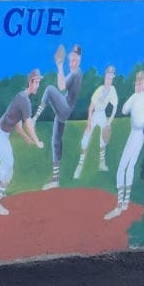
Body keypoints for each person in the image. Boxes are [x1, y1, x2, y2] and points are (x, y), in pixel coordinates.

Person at [0, 69, 45, 225]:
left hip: (4, 135)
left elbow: (18, 125)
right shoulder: (24, 100)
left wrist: (26, 138)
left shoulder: (22, 97)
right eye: (36, 82)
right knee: (7, 164)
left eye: (39, 82)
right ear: (30, 82)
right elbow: (28, 124)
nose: (38, 85)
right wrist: (37, 141)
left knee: (9, 171)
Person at [105, 71, 144, 220]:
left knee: (123, 168)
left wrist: (143, 95)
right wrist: (140, 96)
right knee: (129, 167)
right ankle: (124, 203)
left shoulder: (142, 97)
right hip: (137, 135)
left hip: (137, 136)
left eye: (141, 83)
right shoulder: (137, 97)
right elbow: (124, 110)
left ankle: (120, 205)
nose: (138, 85)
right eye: (137, 83)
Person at [34, 43, 84, 191]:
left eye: (74, 60)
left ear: (79, 60)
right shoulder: (76, 73)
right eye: (70, 60)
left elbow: (61, 86)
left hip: (66, 107)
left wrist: (60, 67)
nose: (71, 63)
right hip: (65, 108)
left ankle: (34, 119)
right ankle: (56, 180)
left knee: (49, 89)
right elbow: (63, 86)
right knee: (56, 141)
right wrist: (61, 66)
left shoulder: (76, 73)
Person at [75, 64, 118, 179]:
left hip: (102, 114)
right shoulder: (99, 90)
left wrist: (109, 122)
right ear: (105, 76)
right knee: (85, 139)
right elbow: (90, 108)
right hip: (94, 114)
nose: (109, 78)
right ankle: (80, 166)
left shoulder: (113, 90)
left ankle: (101, 164)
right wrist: (89, 123)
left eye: (111, 76)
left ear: (113, 77)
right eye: (108, 75)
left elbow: (115, 107)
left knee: (103, 140)